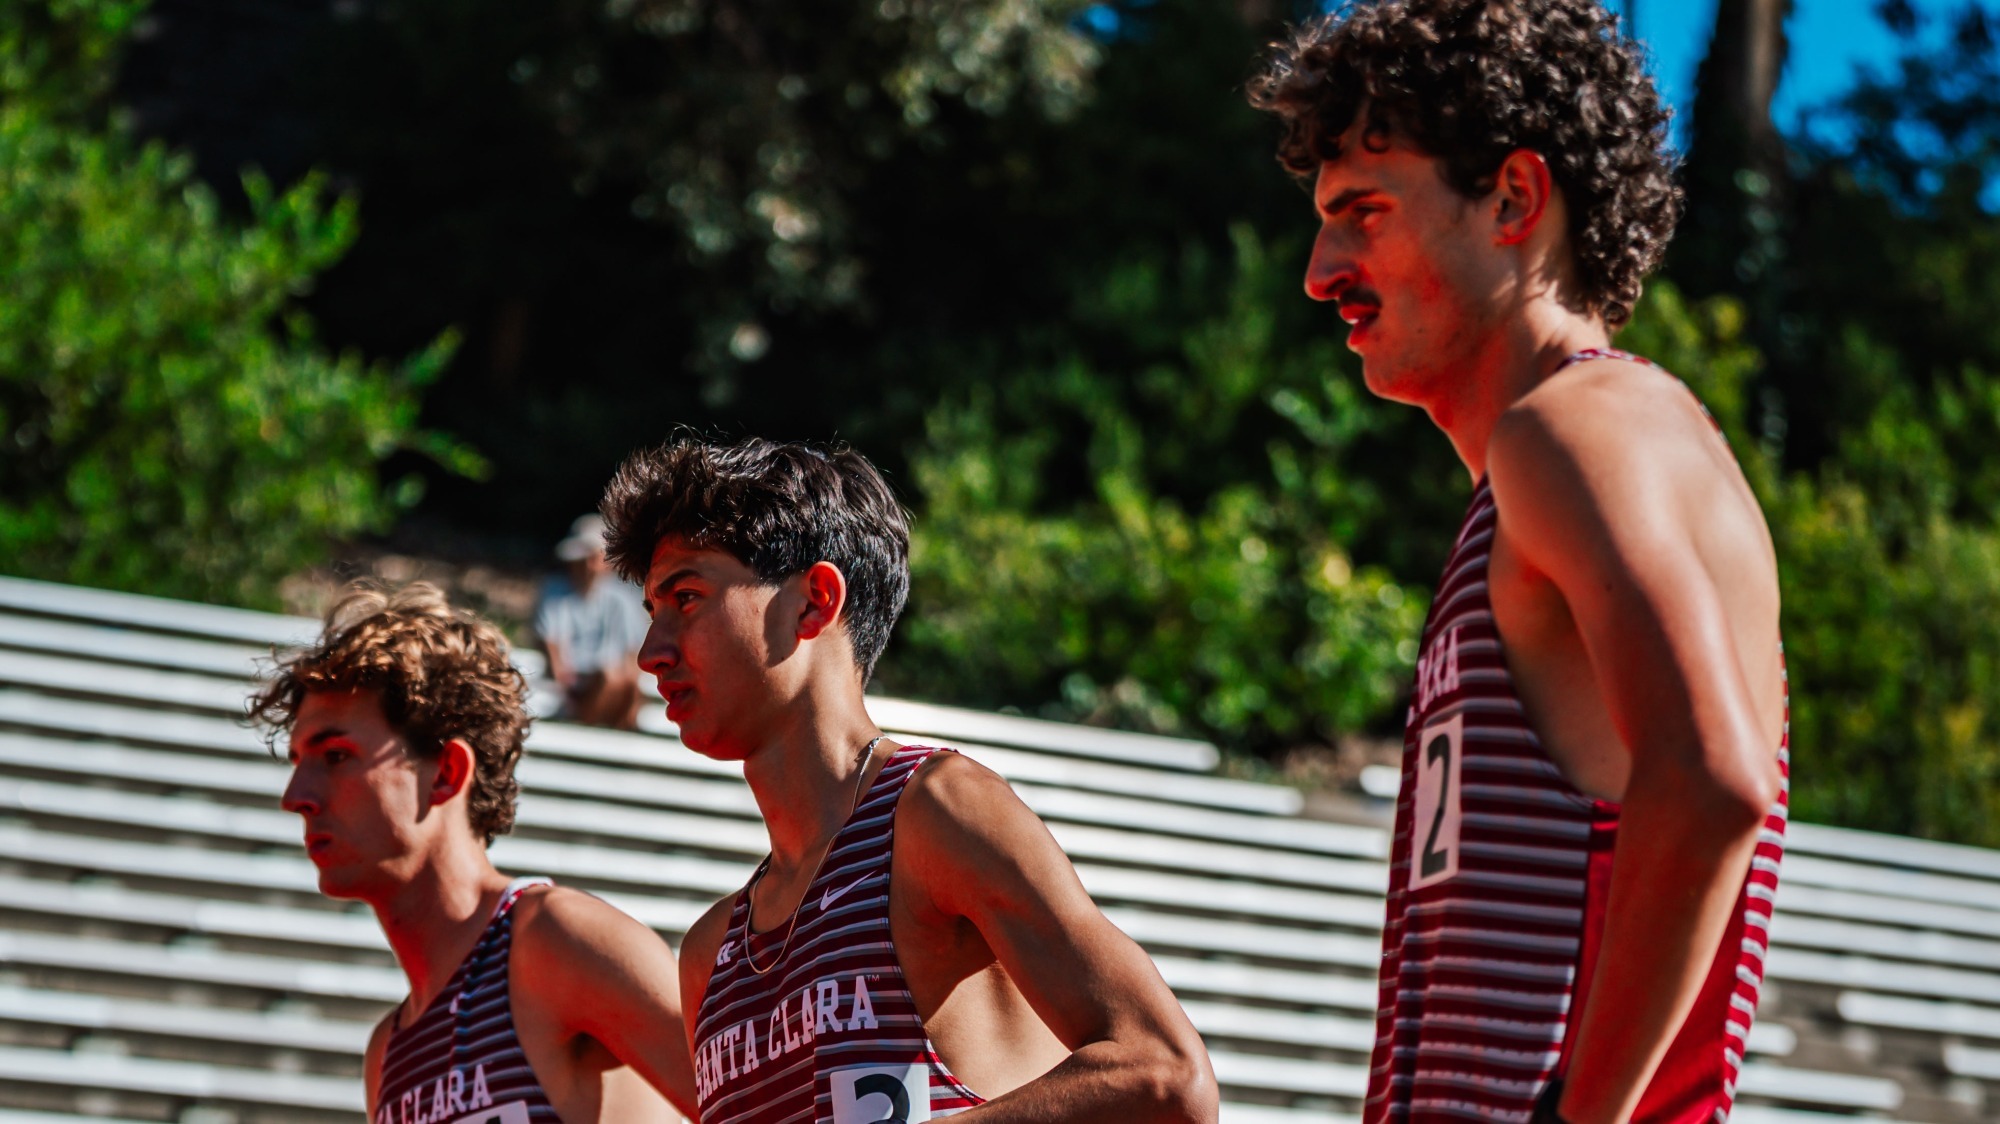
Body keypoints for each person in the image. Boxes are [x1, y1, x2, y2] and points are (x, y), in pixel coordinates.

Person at [1249, 4, 1789, 1122]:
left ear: (1512, 200)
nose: (1318, 271)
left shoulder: (1574, 428)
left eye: (1363, 212)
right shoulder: (1573, 451)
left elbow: (1712, 780)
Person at [597, 437, 1218, 1124]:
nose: (651, 653)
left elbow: (1164, 1073)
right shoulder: (709, 956)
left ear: (814, 602)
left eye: (686, 596)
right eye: (654, 611)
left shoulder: (937, 810)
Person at [252, 583, 698, 1122]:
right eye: (297, 761)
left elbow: (762, 1104)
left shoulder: (557, 940)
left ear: (446, 773)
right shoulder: (387, 1058)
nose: (296, 797)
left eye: (337, 755)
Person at [537, 514, 649, 730]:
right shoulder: (554, 592)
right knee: (611, 677)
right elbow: (552, 647)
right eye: (581, 558)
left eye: (592, 557)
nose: (586, 566)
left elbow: (632, 654)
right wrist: (564, 685)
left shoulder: (622, 598)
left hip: (611, 682)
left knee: (622, 681)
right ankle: (585, 731)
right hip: (575, 684)